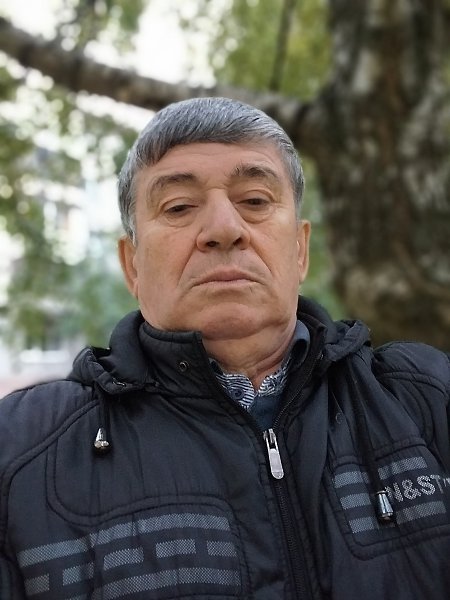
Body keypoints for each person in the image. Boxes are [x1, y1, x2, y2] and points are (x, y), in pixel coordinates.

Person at [0, 97, 449, 600]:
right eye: (179, 207)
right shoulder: (18, 454)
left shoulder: (427, 399)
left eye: (255, 200)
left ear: (300, 249)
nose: (223, 230)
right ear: (132, 265)